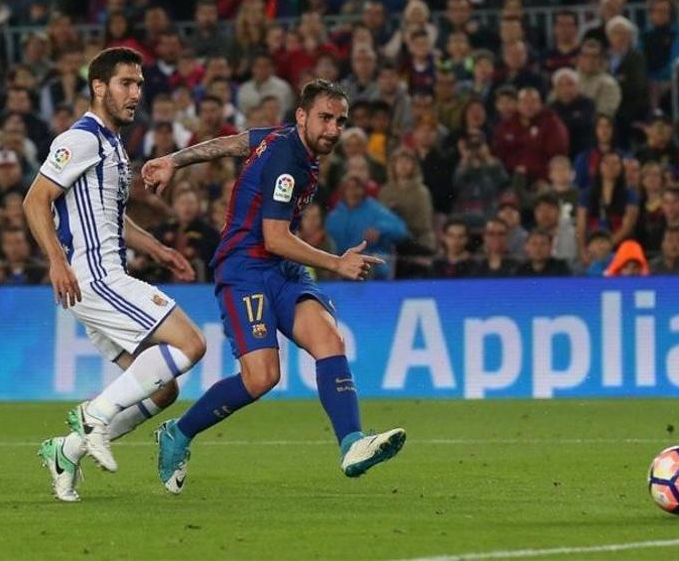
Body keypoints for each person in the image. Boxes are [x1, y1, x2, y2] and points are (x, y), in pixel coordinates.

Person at [141, 79, 406, 493]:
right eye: (325, 118)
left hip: (281, 269)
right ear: (302, 115)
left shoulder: (284, 138)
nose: (333, 129)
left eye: (340, 120)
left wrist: (175, 159)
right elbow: (275, 237)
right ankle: (178, 432)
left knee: (328, 339)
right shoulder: (288, 160)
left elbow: (234, 143)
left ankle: (352, 443)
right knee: (261, 377)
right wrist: (337, 262)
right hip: (245, 268)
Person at [24, 47, 207, 502]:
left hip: (101, 278)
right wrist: (56, 261)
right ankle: (92, 418)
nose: (135, 94)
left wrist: (159, 248)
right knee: (191, 343)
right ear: (98, 87)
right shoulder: (81, 138)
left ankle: (65, 451)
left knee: (163, 390)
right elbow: (34, 200)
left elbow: (112, 219)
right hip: (95, 277)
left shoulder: (112, 146)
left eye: (140, 85)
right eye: (126, 83)